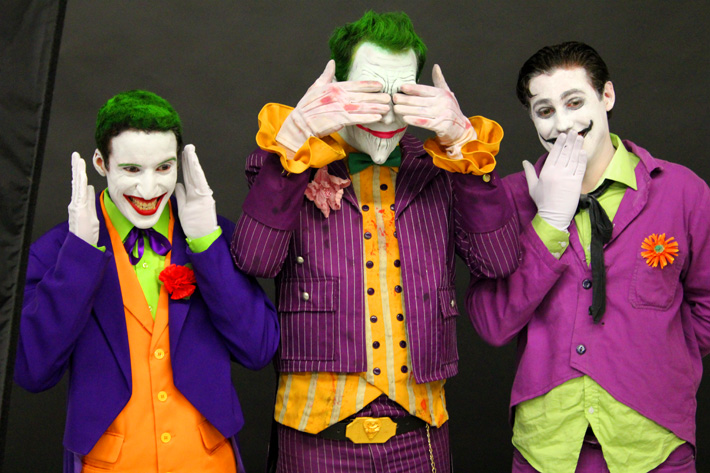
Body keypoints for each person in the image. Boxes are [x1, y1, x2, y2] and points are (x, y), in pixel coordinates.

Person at [230, 10, 520, 473]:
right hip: (314, 434)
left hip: (420, 433)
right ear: (338, 88)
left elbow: (499, 261)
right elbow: (254, 259)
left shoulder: (443, 169)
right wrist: (298, 140)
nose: (386, 113)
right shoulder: (290, 161)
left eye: (400, 95)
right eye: (370, 93)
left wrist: (464, 146)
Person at [468, 41, 710, 472]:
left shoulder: (682, 191)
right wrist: (549, 223)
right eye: (545, 110)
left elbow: (706, 304)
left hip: (654, 446)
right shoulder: (509, 198)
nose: (563, 124)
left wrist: (661, 356)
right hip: (546, 448)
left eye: (575, 102)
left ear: (607, 96)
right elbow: (493, 322)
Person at [15, 89, 280, 473]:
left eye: (163, 168)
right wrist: (79, 257)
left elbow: (259, 350)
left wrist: (207, 244)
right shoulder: (57, 251)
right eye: (131, 170)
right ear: (101, 164)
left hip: (207, 461)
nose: (149, 189)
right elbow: (31, 372)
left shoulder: (213, 234)